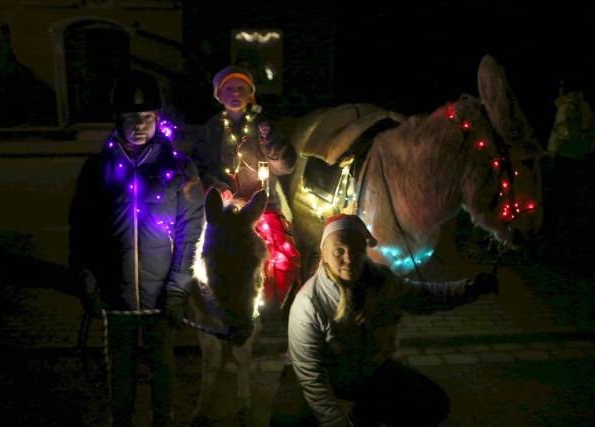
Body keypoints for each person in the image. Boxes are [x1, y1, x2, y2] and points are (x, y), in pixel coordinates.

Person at [269, 214, 499, 427]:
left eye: (356, 250)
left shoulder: (382, 282)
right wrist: (335, 422)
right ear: (325, 255)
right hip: (330, 381)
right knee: (287, 421)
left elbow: (426, 297)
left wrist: (472, 288)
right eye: (339, 251)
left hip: (371, 374)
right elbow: (312, 375)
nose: (348, 258)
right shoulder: (308, 303)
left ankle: (364, 413)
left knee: (433, 404)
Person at [68, 70, 204, 427]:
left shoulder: (179, 168)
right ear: (118, 119)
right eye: (131, 118)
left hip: (162, 297)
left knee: (163, 371)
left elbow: (192, 231)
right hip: (116, 296)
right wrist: (88, 284)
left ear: (158, 119)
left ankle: (164, 419)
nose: (140, 125)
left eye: (147, 117)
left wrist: (178, 288)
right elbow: (82, 232)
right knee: (120, 373)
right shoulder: (97, 170)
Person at [191, 65, 300, 313]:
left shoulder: (262, 127)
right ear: (219, 95)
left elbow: (285, 166)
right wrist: (216, 187)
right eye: (228, 88)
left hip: (261, 208)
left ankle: (274, 307)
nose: (235, 93)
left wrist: (270, 139)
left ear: (250, 93)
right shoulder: (212, 129)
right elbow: (199, 166)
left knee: (283, 254)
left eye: (241, 88)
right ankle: (221, 304)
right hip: (224, 212)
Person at [546, 78, 594, 237]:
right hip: (576, 155)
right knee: (570, 190)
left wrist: (552, 150)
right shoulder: (583, 106)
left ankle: (558, 227)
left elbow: (562, 132)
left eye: (561, 86)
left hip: (564, 155)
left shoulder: (566, 108)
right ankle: (568, 223)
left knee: (559, 190)